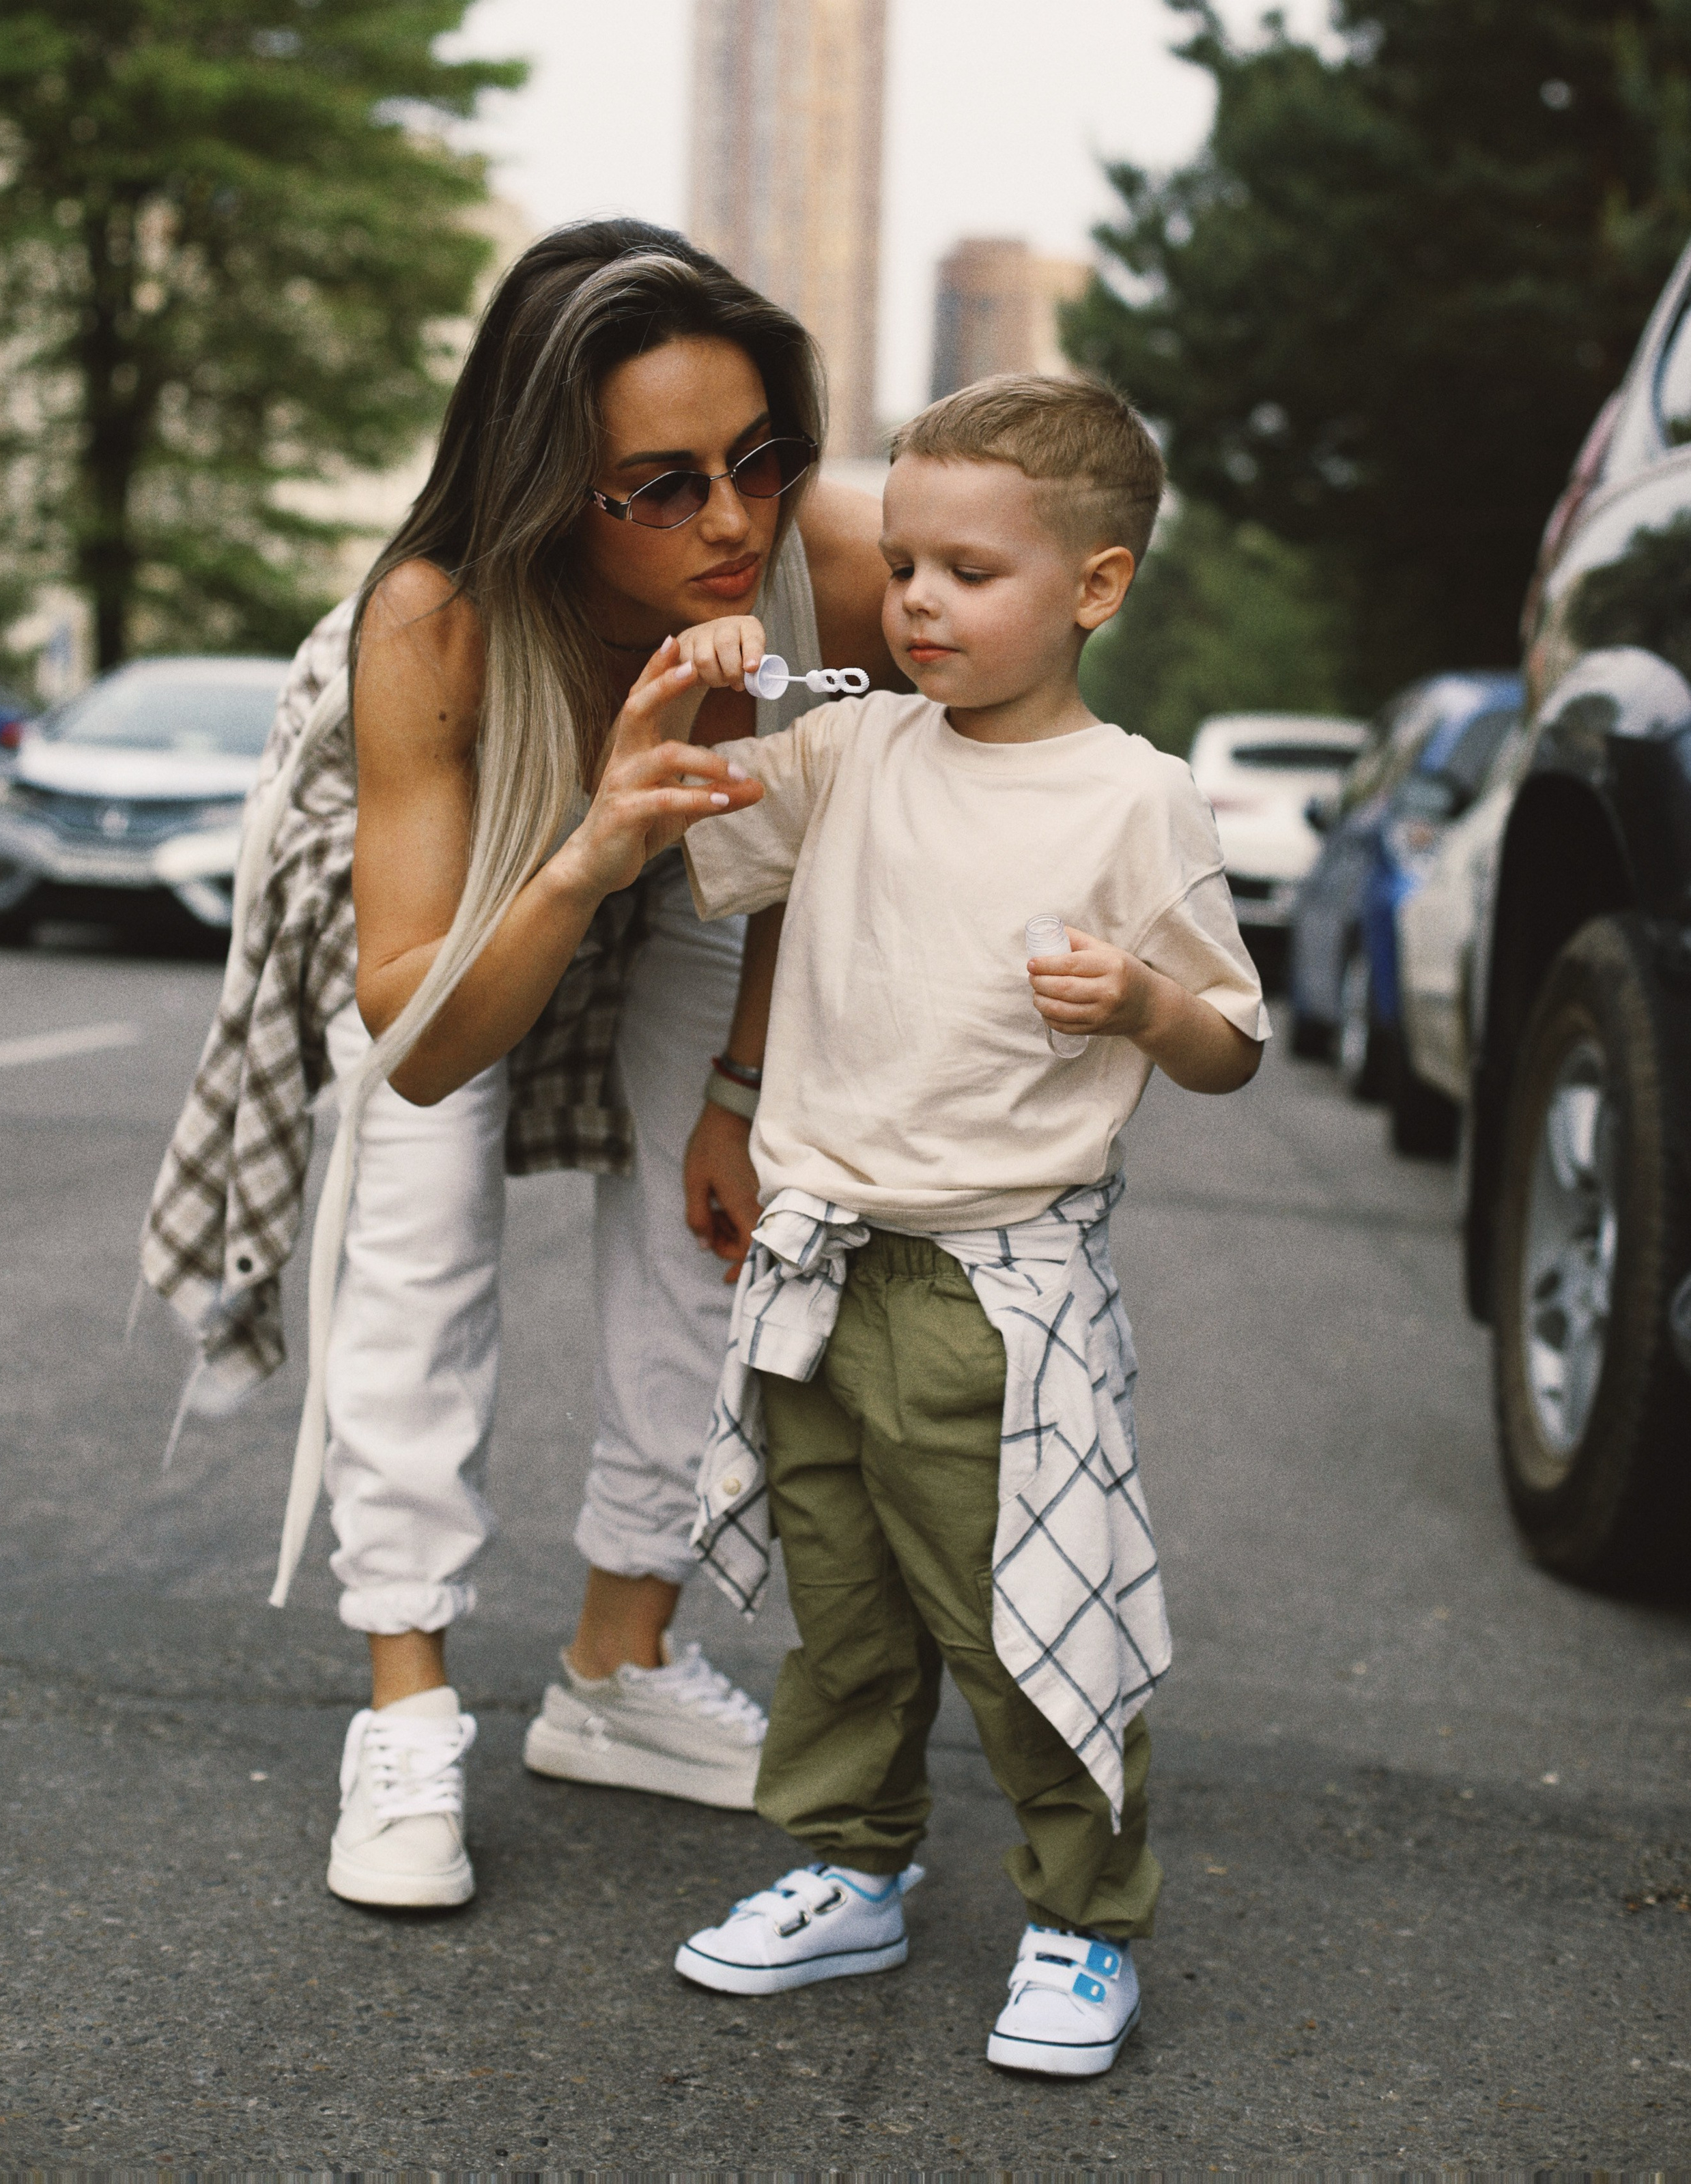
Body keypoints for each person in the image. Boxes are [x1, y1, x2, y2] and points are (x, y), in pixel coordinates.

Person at [139, 222, 900, 1910]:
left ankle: (618, 1670)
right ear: (553, 488)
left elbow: (824, 826)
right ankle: (406, 1704)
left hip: (698, 843)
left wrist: (739, 1093)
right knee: (416, 1234)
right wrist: (586, 852)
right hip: (476, 864)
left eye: (760, 457)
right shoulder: (436, 626)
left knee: (723, 1230)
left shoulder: (835, 571)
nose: (733, 521)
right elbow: (420, 1053)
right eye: (663, 486)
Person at [658, 374, 1270, 2076]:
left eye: (968, 572)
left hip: (988, 1293)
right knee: (845, 1614)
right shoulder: (850, 744)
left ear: (1095, 585)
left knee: (1027, 1618)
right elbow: (670, 811)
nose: (915, 601)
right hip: (815, 1261)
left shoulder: (1130, 797)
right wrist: (699, 681)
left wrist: (1144, 1001)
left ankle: (1083, 1919)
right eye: (903, 565)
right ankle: (851, 1869)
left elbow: (1230, 1043)